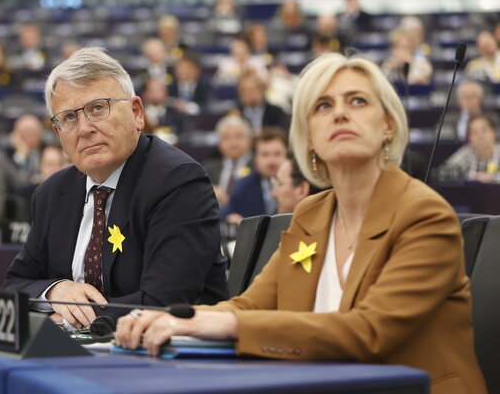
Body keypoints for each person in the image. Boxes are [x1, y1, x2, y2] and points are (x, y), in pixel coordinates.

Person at [115, 53, 486, 394]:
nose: (340, 114)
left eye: (357, 101)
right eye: (323, 106)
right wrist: (168, 318)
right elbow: (249, 307)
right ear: (308, 138)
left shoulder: (425, 215)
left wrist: (225, 326)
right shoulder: (310, 214)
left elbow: (369, 333)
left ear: (388, 125)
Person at [3, 47, 227, 327]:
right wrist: (55, 291)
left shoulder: (177, 182)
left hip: (166, 361)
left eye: (97, 108)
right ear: (58, 132)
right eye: (69, 117)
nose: (84, 128)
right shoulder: (51, 194)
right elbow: (14, 285)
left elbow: (165, 303)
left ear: (136, 113)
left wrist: (68, 320)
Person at [221, 127, 288, 221]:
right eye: (265, 155)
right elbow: (224, 216)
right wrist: (230, 219)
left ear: (288, 156)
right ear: (255, 158)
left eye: (277, 154)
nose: (271, 160)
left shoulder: (298, 185)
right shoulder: (242, 186)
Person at [202, 115, 253, 208]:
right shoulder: (207, 168)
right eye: (226, 138)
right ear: (219, 143)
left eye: (239, 136)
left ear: (249, 140)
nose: (233, 143)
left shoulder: (258, 167)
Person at [438, 114, 500, 184]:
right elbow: (443, 172)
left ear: (493, 132)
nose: (480, 136)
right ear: (469, 138)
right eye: (475, 133)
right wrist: (471, 177)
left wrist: (492, 178)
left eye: (484, 130)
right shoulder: (467, 152)